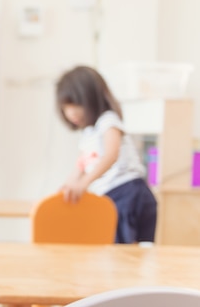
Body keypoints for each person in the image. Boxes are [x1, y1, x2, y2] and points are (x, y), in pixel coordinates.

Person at [56, 65, 157, 244]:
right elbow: (79, 167)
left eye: (75, 104)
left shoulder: (107, 120)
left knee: (122, 252)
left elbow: (111, 155)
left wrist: (84, 183)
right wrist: (64, 190)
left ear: (91, 99)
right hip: (113, 197)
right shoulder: (87, 135)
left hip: (129, 193)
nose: (71, 112)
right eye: (65, 107)